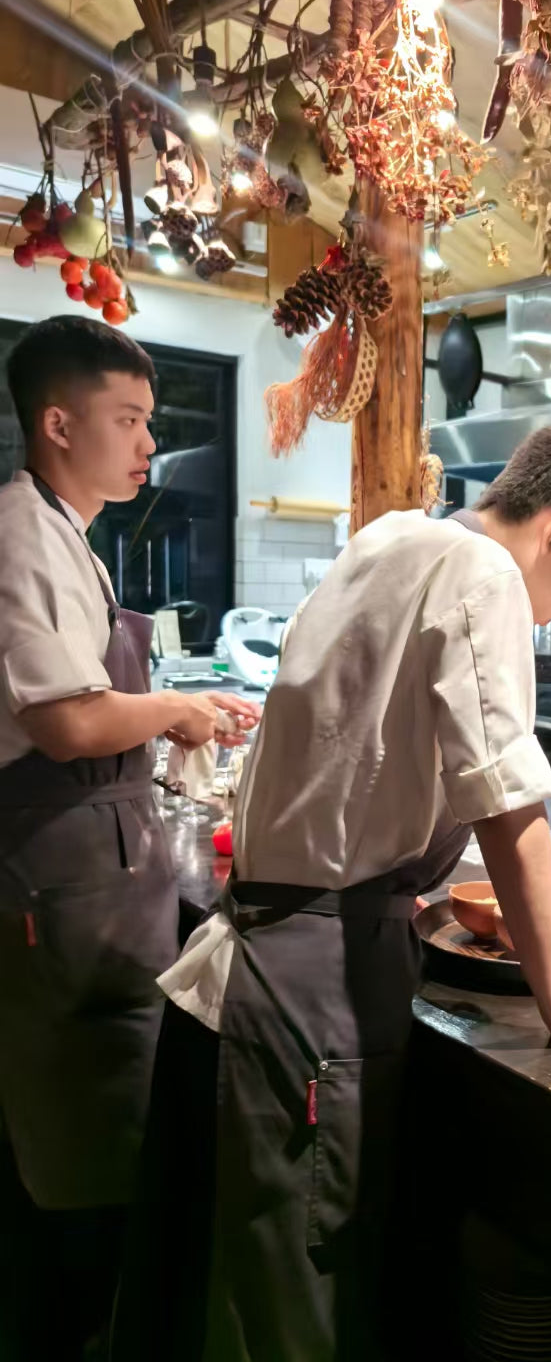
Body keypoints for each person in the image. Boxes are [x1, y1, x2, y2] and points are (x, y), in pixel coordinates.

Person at [112, 425, 551, 1362]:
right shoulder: (486, 574)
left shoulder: (392, 537)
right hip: (312, 983)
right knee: (301, 1287)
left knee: (236, 1278)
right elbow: (507, 798)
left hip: (264, 951)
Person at [0, 316, 259, 1359]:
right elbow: (65, 720)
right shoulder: (23, 533)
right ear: (59, 424)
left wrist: (167, 712)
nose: (151, 444)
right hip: (58, 875)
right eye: (132, 420)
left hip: (90, 867)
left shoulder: (62, 529)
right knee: (77, 1129)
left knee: (96, 1118)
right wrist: (175, 712)